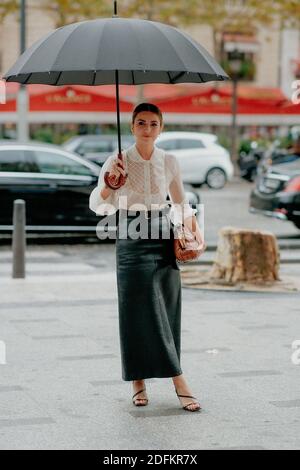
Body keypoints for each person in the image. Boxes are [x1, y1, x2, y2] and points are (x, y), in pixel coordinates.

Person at [89, 103, 205, 412]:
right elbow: (97, 206)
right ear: (131, 126)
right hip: (131, 233)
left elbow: (180, 202)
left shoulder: (169, 161)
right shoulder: (117, 160)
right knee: (136, 309)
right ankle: (168, 379)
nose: (148, 128)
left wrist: (196, 233)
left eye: (154, 123)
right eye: (141, 122)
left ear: (161, 128)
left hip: (164, 233)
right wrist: (109, 184)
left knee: (167, 307)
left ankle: (145, 378)